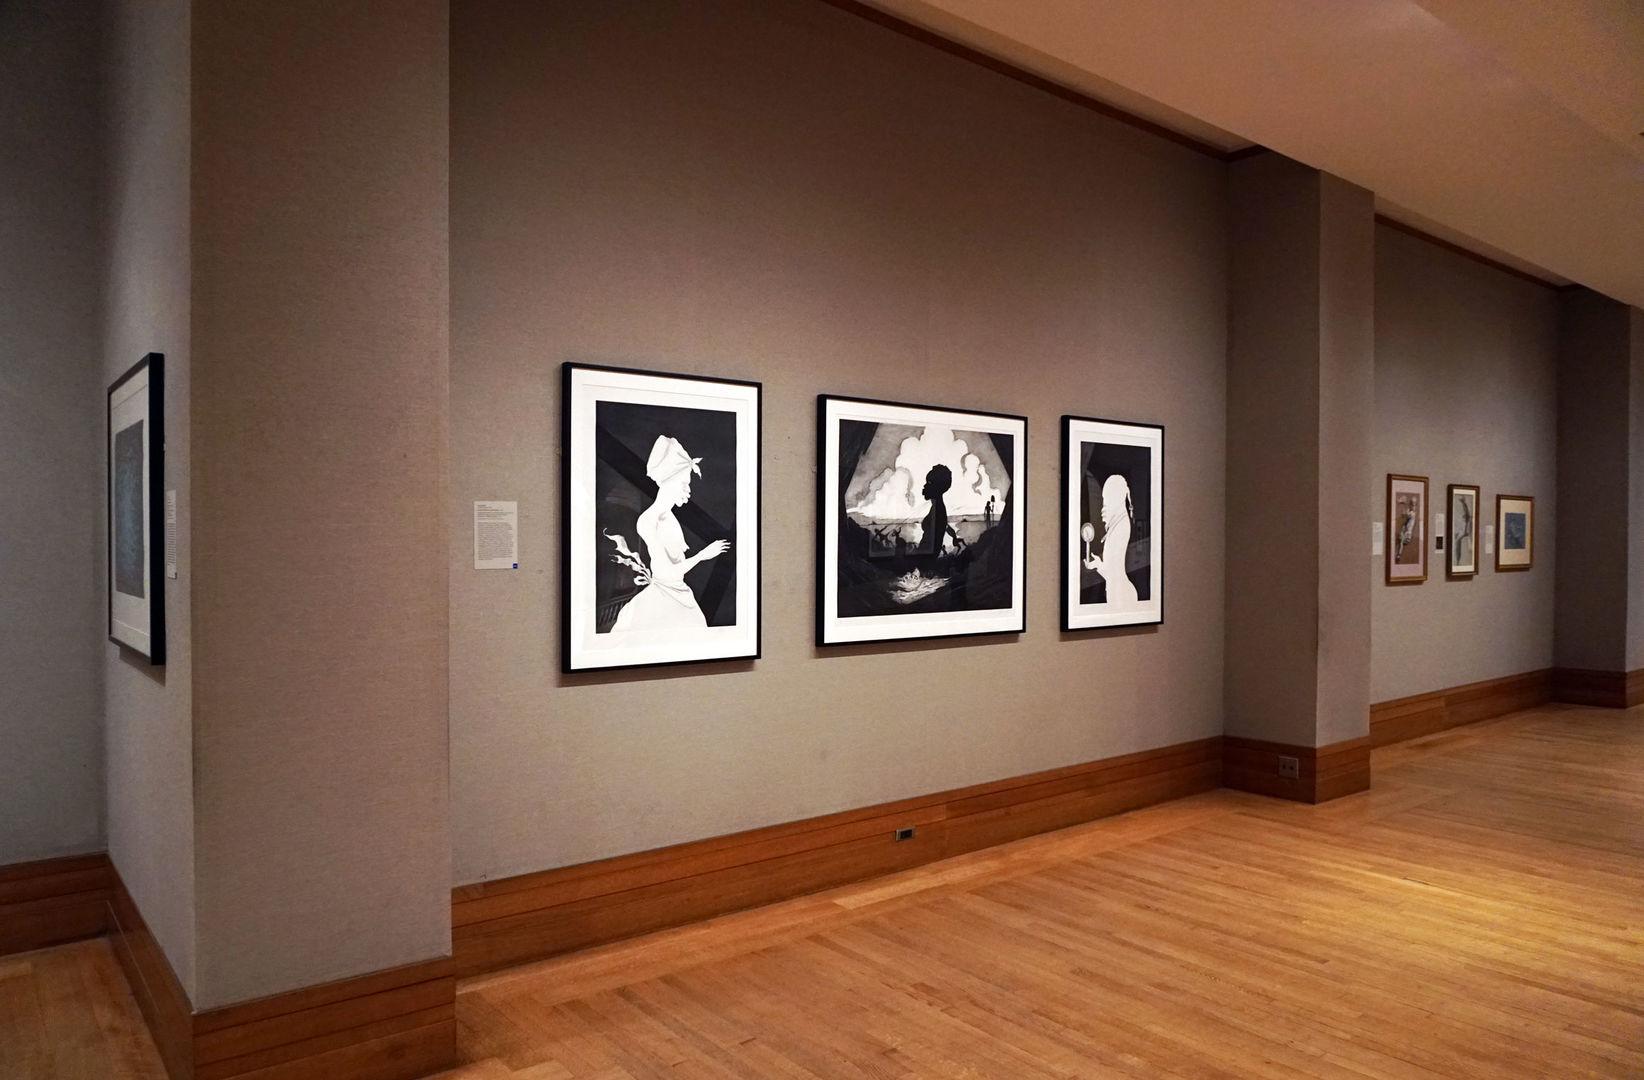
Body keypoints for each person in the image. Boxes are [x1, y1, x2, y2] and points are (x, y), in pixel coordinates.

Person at [608, 435, 728, 631]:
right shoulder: (648, 521)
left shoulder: (671, 517)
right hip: (664, 599)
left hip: (680, 594)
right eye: (684, 484)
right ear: (668, 482)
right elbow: (667, 573)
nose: (688, 490)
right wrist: (703, 555)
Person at [1084, 474, 1137, 605]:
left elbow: (1114, 575)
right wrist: (1098, 565)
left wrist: (1100, 566)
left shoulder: (1121, 526)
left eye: (1106, 499)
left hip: (1122, 595)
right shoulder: (1117, 525)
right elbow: (1113, 573)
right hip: (1119, 592)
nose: (1103, 506)